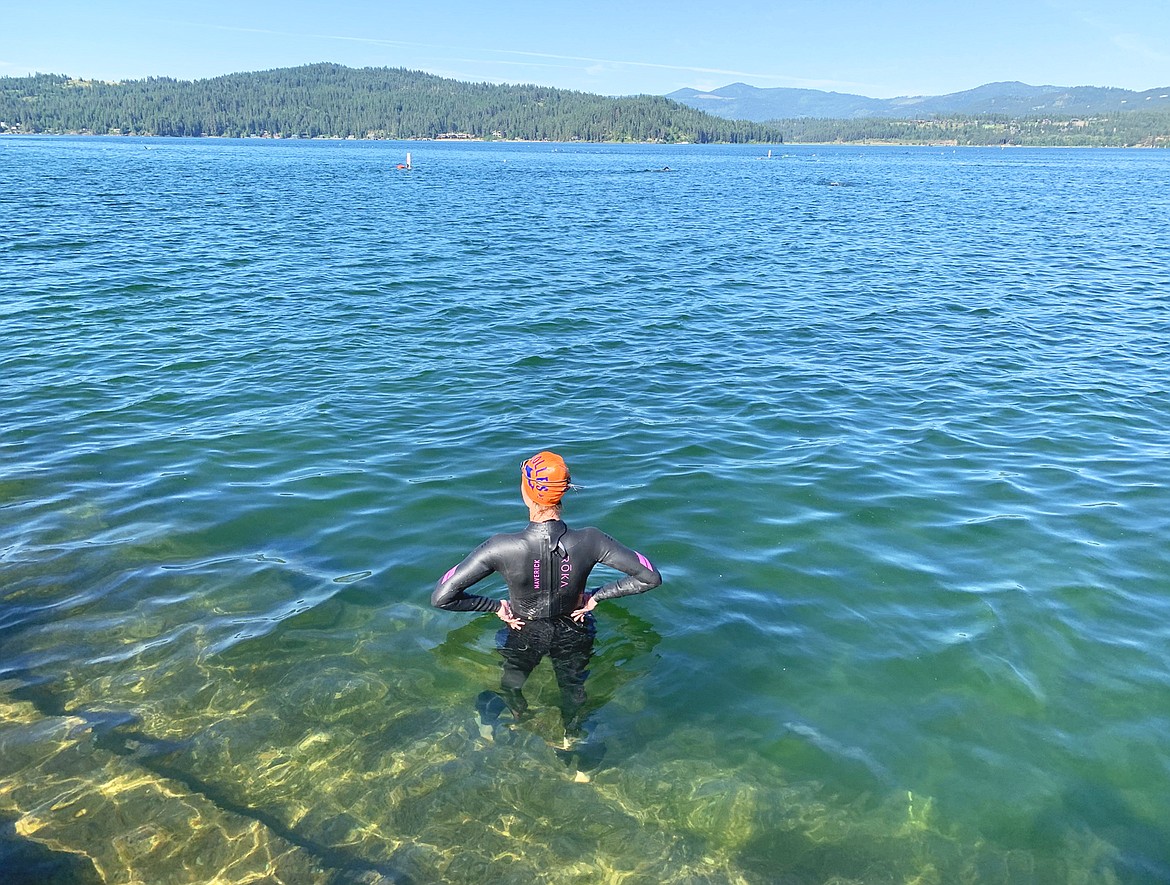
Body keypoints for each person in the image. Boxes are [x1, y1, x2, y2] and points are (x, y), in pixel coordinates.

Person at [432, 451, 662, 744]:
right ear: (564, 491)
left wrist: (494, 607)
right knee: (574, 689)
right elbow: (649, 576)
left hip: (522, 630)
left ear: (526, 492)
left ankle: (513, 718)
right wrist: (596, 597)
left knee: (512, 682)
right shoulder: (592, 539)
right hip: (575, 630)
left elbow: (443, 597)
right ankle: (573, 741)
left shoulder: (500, 546)